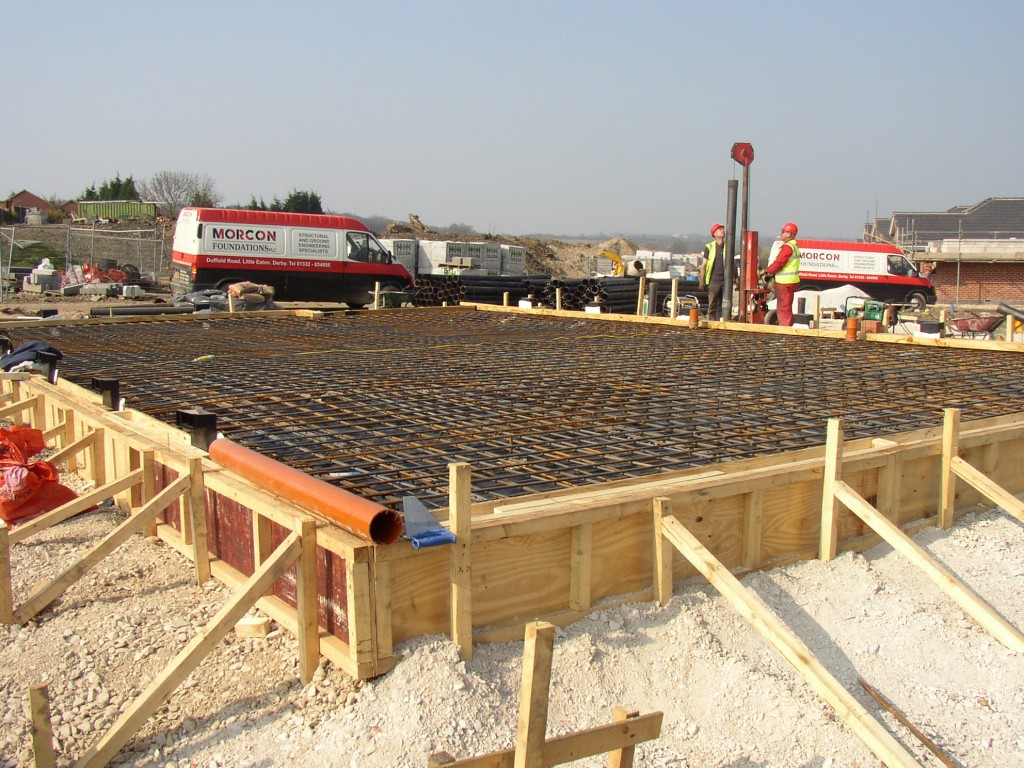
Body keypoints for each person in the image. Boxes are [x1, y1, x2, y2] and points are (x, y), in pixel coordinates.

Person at [760, 222, 801, 326]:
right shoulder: (794, 245)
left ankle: (784, 331)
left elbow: (779, 263)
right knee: (786, 307)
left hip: (784, 283)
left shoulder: (787, 247)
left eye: (783, 232)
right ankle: (786, 328)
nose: (781, 234)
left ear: (789, 234)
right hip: (791, 282)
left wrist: (767, 271)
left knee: (783, 309)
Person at [700, 224, 728, 320]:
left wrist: (736, 278)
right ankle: (711, 322)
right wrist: (702, 280)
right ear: (715, 233)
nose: (723, 231)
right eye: (720, 229)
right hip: (714, 281)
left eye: (723, 229)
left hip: (725, 282)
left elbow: (732, 264)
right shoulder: (709, 247)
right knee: (712, 306)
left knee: (724, 306)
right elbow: (704, 265)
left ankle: (722, 324)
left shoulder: (728, 247)